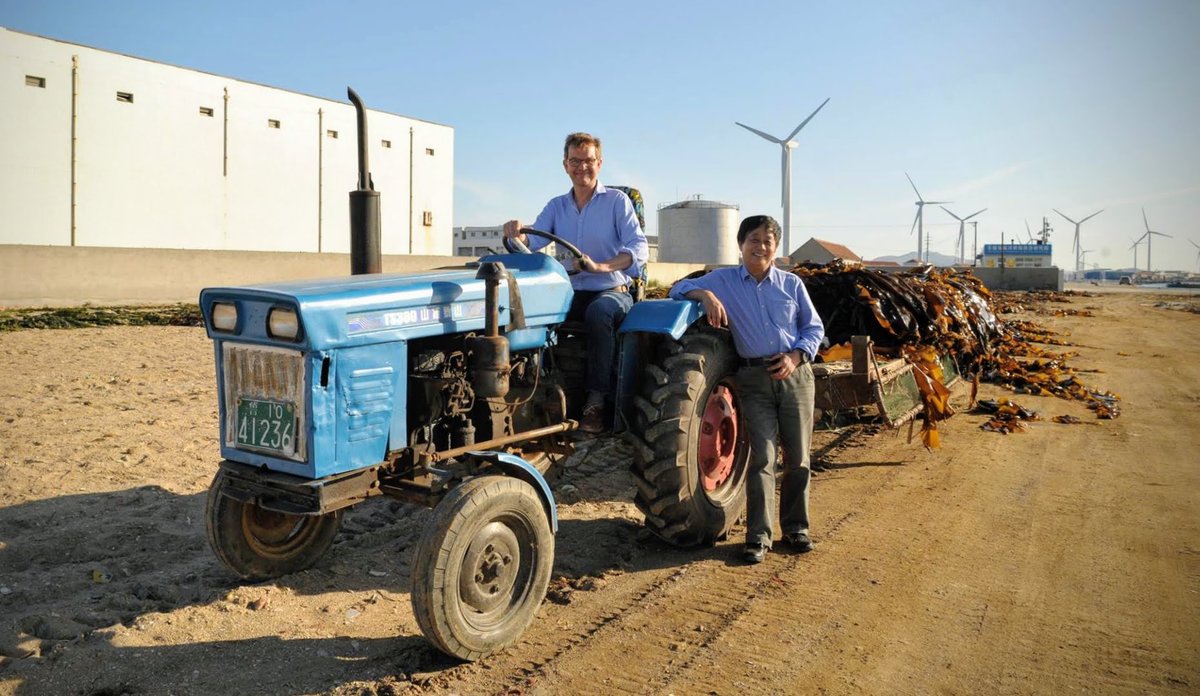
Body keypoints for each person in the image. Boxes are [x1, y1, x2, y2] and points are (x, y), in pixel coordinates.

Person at [668, 215, 825, 564]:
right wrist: (704, 294)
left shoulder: (791, 284)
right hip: (753, 380)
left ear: (775, 247)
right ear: (741, 244)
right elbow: (676, 287)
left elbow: (813, 328)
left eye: (768, 240)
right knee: (762, 459)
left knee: (798, 459)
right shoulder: (724, 280)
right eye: (754, 239)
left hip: (795, 376)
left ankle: (797, 529)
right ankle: (758, 536)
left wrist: (796, 357)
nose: (761, 246)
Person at [504, 132, 649, 434]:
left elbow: (639, 248)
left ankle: (596, 402)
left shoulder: (617, 202)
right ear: (565, 165)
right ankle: (531, 387)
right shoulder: (556, 206)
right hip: (569, 291)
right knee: (523, 311)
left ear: (600, 163)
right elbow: (531, 241)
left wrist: (601, 266)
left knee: (600, 313)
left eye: (588, 161)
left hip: (611, 289)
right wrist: (515, 233)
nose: (581, 167)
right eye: (575, 161)